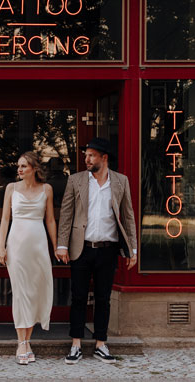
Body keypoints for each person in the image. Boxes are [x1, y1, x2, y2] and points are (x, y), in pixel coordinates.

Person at [55, 137, 138, 364]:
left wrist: (133, 249)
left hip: (108, 249)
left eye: (91, 155)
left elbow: (128, 216)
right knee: (79, 296)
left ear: (104, 158)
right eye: (86, 155)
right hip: (81, 248)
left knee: (103, 298)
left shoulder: (120, 181)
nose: (87, 159)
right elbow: (66, 214)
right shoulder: (76, 180)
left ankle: (101, 343)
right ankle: (76, 345)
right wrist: (62, 245)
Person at [0, 151, 56, 365]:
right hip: (16, 246)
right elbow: (5, 219)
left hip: (39, 246)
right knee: (21, 292)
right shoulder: (11, 189)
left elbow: (50, 220)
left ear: (34, 168)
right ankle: (21, 342)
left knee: (34, 291)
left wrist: (56, 245)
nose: (19, 170)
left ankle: (27, 340)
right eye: (18, 166)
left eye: (23, 166)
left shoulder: (46, 189)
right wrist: (1, 247)